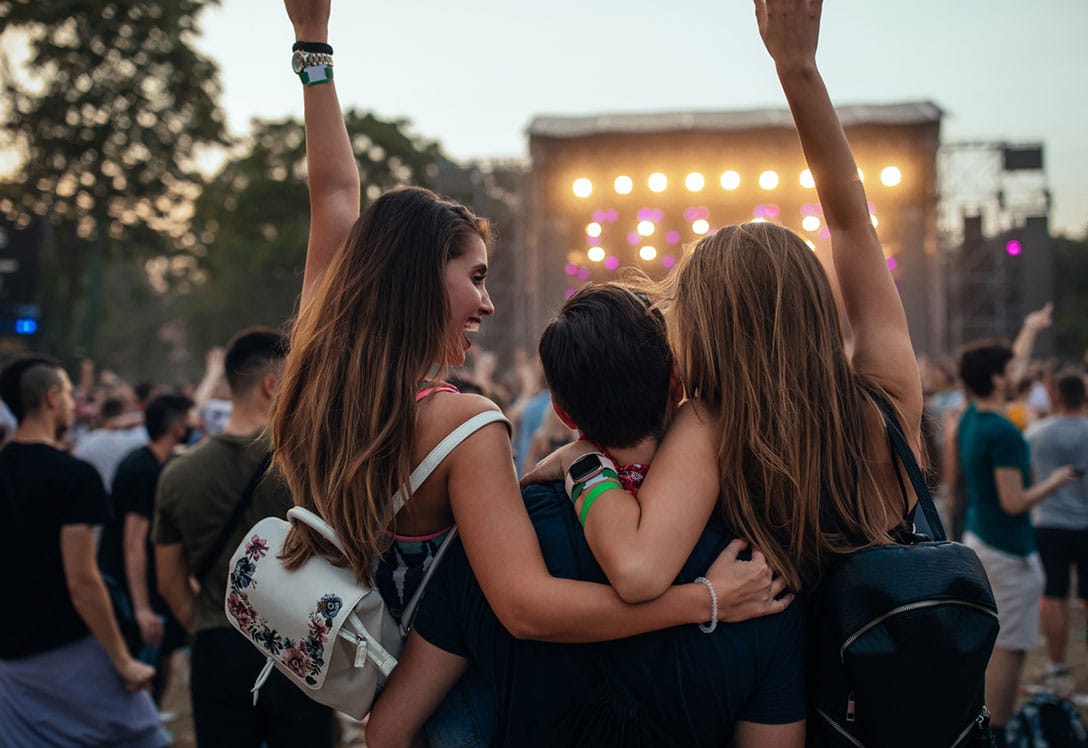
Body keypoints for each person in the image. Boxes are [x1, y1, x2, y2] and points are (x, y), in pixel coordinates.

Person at [273, 0, 782, 742]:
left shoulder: (316, 376)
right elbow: (525, 608)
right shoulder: (463, 423)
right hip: (454, 705)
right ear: (420, 278)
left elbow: (333, 194)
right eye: (475, 277)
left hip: (380, 685)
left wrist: (311, 47)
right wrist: (702, 599)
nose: (485, 302)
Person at [367, 281, 805, 747]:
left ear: (562, 411)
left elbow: (389, 729)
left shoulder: (492, 551)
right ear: (677, 385)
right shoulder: (754, 571)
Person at [153, 329, 335, 747]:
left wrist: (208, 625)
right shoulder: (307, 465)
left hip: (216, 645)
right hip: (298, 649)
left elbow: (168, 580)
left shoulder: (178, 475)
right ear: (271, 386)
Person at [0, 355, 167, 748]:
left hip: (10, 661)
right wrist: (122, 659)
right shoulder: (73, 476)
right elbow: (82, 580)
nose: (76, 403)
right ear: (52, 397)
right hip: (70, 650)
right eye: (71, 393)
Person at [954, 343, 1075, 744]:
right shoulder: (1002, 431)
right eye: (1008, 370)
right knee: (1009, 646)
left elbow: (1010, 364)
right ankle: (998, 732)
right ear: (996, 379)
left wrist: (1032, 332)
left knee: (992, 640)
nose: (1016, 375)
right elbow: (1014, 502)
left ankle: (984, 726)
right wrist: (1056, 481)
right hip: (1008, 548)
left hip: (981, 537)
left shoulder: (971, 417)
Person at [97, 393, 197, 704]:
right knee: (144, 662)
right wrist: (141, 608)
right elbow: (133, 543)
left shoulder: (157, 463)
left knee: (164, 655)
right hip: (132, 588)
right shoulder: (143, 471)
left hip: (150, 585)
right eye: (192, 420)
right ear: (178, 429)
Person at [1025, 370, 1088, 693]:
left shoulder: (1037, 432)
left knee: (1055, 597)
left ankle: (1057, 665)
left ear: (1056, 396)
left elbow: (1029, 478)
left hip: (1049, 523)